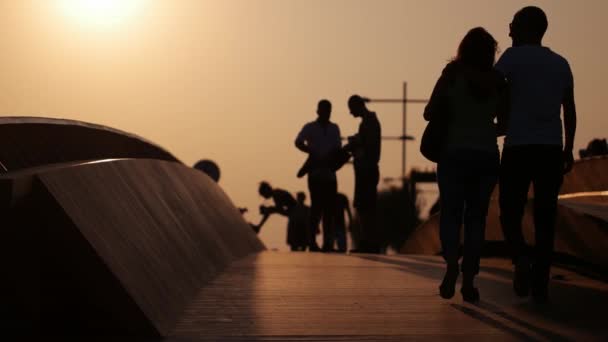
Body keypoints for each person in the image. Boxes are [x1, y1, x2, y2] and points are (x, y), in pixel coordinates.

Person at [496, 6, 577, 303]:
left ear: (526, 28)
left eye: (513, 24)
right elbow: (568, 107)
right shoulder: (561, 63)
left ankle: (520, 259)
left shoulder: (512, 58)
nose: (509, 30)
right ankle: (541, 283)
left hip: (518, 147)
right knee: (546, 217)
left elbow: (490, 88)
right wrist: (568, 148)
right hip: (551, 148)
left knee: (509, 210)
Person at [424, 27, 507, 302]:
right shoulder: (498, 80)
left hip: (453, 152)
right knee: (476, 218)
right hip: (485, 155)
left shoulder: (452, 74)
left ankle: (450, 267)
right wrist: (483, 127)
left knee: (450, 213)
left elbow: (429, 111)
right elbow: (505, 123)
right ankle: (469, 280)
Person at [295, 100, 342, 252]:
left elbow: (338, 149)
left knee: (329, 210)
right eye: (324, 110)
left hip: (330, 175)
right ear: (318, 111)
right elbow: (298, 142)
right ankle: (312, 242)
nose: (326, 113)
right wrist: (311, 151)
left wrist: (331, 158)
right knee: (316, 209)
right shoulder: (310, 127)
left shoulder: (334, 128)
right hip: (315, 174)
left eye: (328, 110)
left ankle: (328, 243)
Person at [345, 95, 381, 254]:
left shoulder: (369, 123)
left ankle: (369, 242)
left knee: (365, 206)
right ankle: (369, 241)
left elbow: (370, 147)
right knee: (365, 206)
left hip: (366, 169)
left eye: (351, 109)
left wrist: (355, 143)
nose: (351, 113)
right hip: (365, 169)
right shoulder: (368, 122)